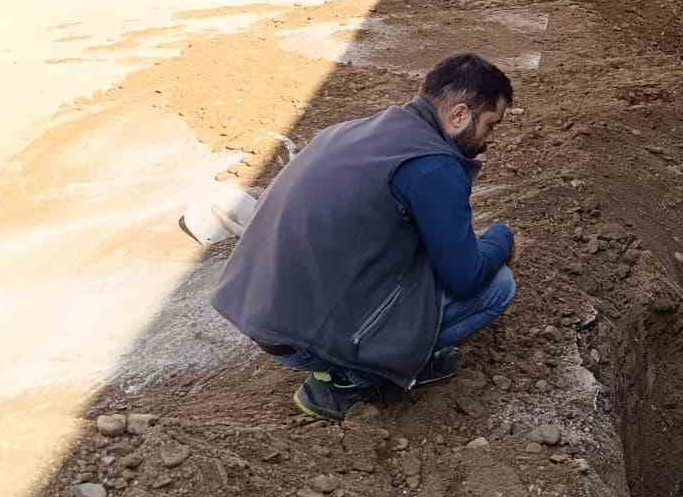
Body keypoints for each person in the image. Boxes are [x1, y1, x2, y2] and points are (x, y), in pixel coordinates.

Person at [213, 54, 518, 421]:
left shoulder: (353, 131)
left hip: (259, 310)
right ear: (459, 116)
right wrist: (503, 239)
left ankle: (354, 361)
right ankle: (352, 378)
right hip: (304, 336)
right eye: (490, 124)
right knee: (498, 285)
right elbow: (466, 278)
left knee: (425, 258)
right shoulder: (433, 166)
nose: (490, 139)